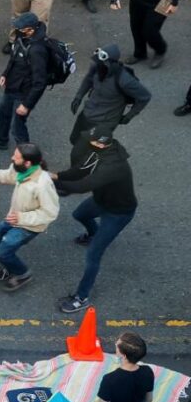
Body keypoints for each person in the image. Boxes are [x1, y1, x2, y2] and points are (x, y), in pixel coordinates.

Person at [52, 129, 137, 313]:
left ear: (100, 143)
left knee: (93, 256)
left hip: (118, 213)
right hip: (102, 201)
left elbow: (82, 185)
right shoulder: (98, 151)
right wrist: (56, 176)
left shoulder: (113, 166)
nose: (86, 142)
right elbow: (78, 171)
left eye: (90, 141)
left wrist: (51, 182)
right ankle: (93, 234)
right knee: (80, 214)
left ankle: (82, 297)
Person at [0, 143, 59, 292]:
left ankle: (23, 274)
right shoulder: (21, 170)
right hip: (14, 218)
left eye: (16, 157)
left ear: (27, 162)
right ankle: (9, 265)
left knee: (2, 253)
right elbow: (7, 175)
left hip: (28, 226)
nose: (12, 158)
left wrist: (21, 218)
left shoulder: (42, 185)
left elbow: (50, 213)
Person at [0, 13, 48, 150]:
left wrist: (26, 105)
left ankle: (27, 156)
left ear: (30, 30)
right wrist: (6, 73)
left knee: (17, 126)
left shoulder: (37, 50)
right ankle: (0, 139)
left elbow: (40, 82)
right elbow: (14, 56)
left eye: (20, 28)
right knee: (3, 110)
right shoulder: (21, 37)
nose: (16, 30)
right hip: (12, 85)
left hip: (24, 92)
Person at [70, 45, 151, 145]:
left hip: (105, 123)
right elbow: (89, 79)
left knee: (93, 150)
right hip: (87, 114)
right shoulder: (97, 67)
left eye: (100, 63)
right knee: (74, 140)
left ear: (108, 63)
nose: (96, 65)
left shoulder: (125, 80)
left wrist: (129, 115)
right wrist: (79, 96)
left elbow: (145, 97)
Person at [87, 332, 153, 402]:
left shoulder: (110, 379)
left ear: (124, 356)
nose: (115, 345)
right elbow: (148, 400)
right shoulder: (147, 371)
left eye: (117, 345)